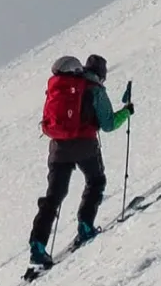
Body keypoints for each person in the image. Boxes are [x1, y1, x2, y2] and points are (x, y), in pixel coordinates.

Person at [29, 53, 134, 267]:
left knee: (54, 197)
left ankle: (37, 246)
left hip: (58, 148)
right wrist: (127, 112)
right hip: (85, 146)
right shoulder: (94, 89)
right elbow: (108, 124)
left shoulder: (61, 86)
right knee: (96, 181)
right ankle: (85, 225)